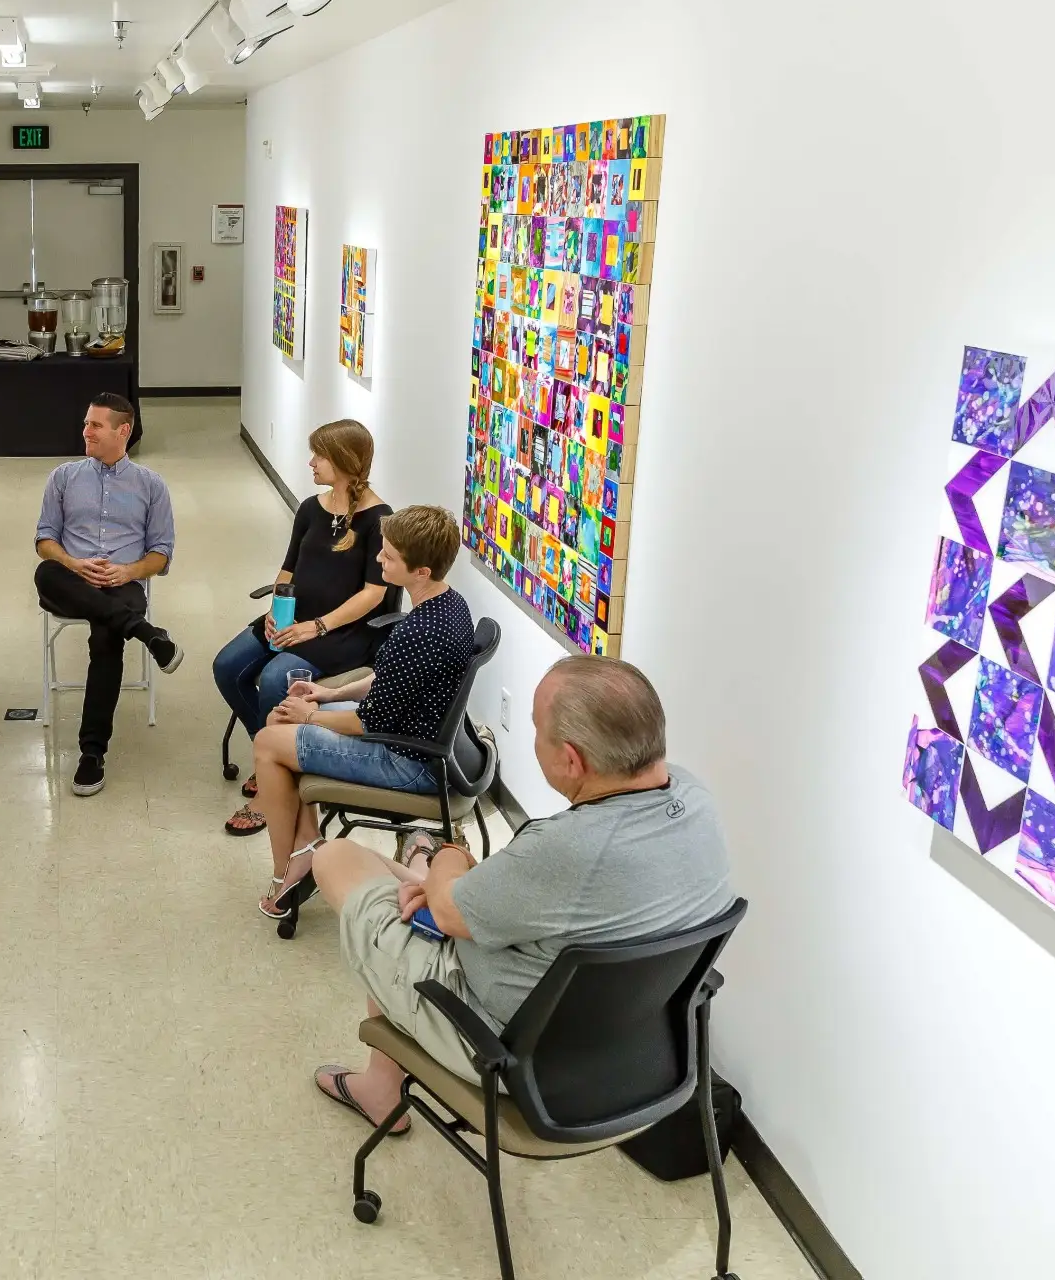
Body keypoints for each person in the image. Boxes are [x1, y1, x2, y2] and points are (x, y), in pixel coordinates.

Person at [305, 655, 735, 1132]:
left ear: (571, 760)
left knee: (338, 861)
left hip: (513, 1052)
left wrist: (452, 856)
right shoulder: (695, 800)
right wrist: (443, 890)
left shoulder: (565, 849)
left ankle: (378, 1090)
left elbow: (449, 913)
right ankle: (422, 869)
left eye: (535, 729)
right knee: (416, 892)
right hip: (637, 1051)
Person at [246, 505, 475, 920]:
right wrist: (325, 693)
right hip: (419, 738)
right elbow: (387, 679)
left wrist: (310, 716)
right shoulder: (449, 605)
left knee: (268, 739)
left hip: (408, 760)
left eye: (388, 557)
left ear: (420, 571)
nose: (378, 560)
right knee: (283, 722)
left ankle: (286, 874)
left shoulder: (419, 633)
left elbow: (368, 722)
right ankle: (307, 843)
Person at [213, 419, 394, 836]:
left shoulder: (378, 520)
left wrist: (317, 627)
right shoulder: (311, 508)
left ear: (345, 461)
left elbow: (373, 594)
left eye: (320, 455)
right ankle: (272, 750)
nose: (311, 463)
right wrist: (278, 610)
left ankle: (272, 783)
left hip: (341, 633)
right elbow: (288, 567)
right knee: (226, 667)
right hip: (292, 618)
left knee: (277, 678)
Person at [34, 392, 183, 796]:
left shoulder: (151, 486)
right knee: (45, 573)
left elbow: (161, 554)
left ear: (123, 431)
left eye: (95, 425)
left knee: (105, 636)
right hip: (70, 578)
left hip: (124, 584)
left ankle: (92, 753)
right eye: (86, 423)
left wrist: (127, 571)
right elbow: (45, 540)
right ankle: (147, 633)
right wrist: (74, 564)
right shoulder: (63, 477)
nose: (85, 431)